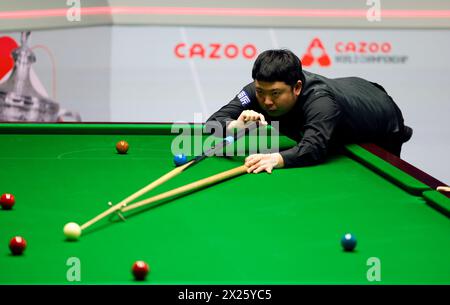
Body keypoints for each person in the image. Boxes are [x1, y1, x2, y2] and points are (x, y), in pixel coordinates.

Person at [206, 49, 412, 174]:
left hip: (381, 121)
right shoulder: (255, 91)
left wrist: (275, 159)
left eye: (276, 93)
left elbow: (314, 148)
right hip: (350, 97)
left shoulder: (320, 101)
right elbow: (213, 122)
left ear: (296, 87)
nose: (266, 101)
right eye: (261, 91)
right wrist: (235, 125)